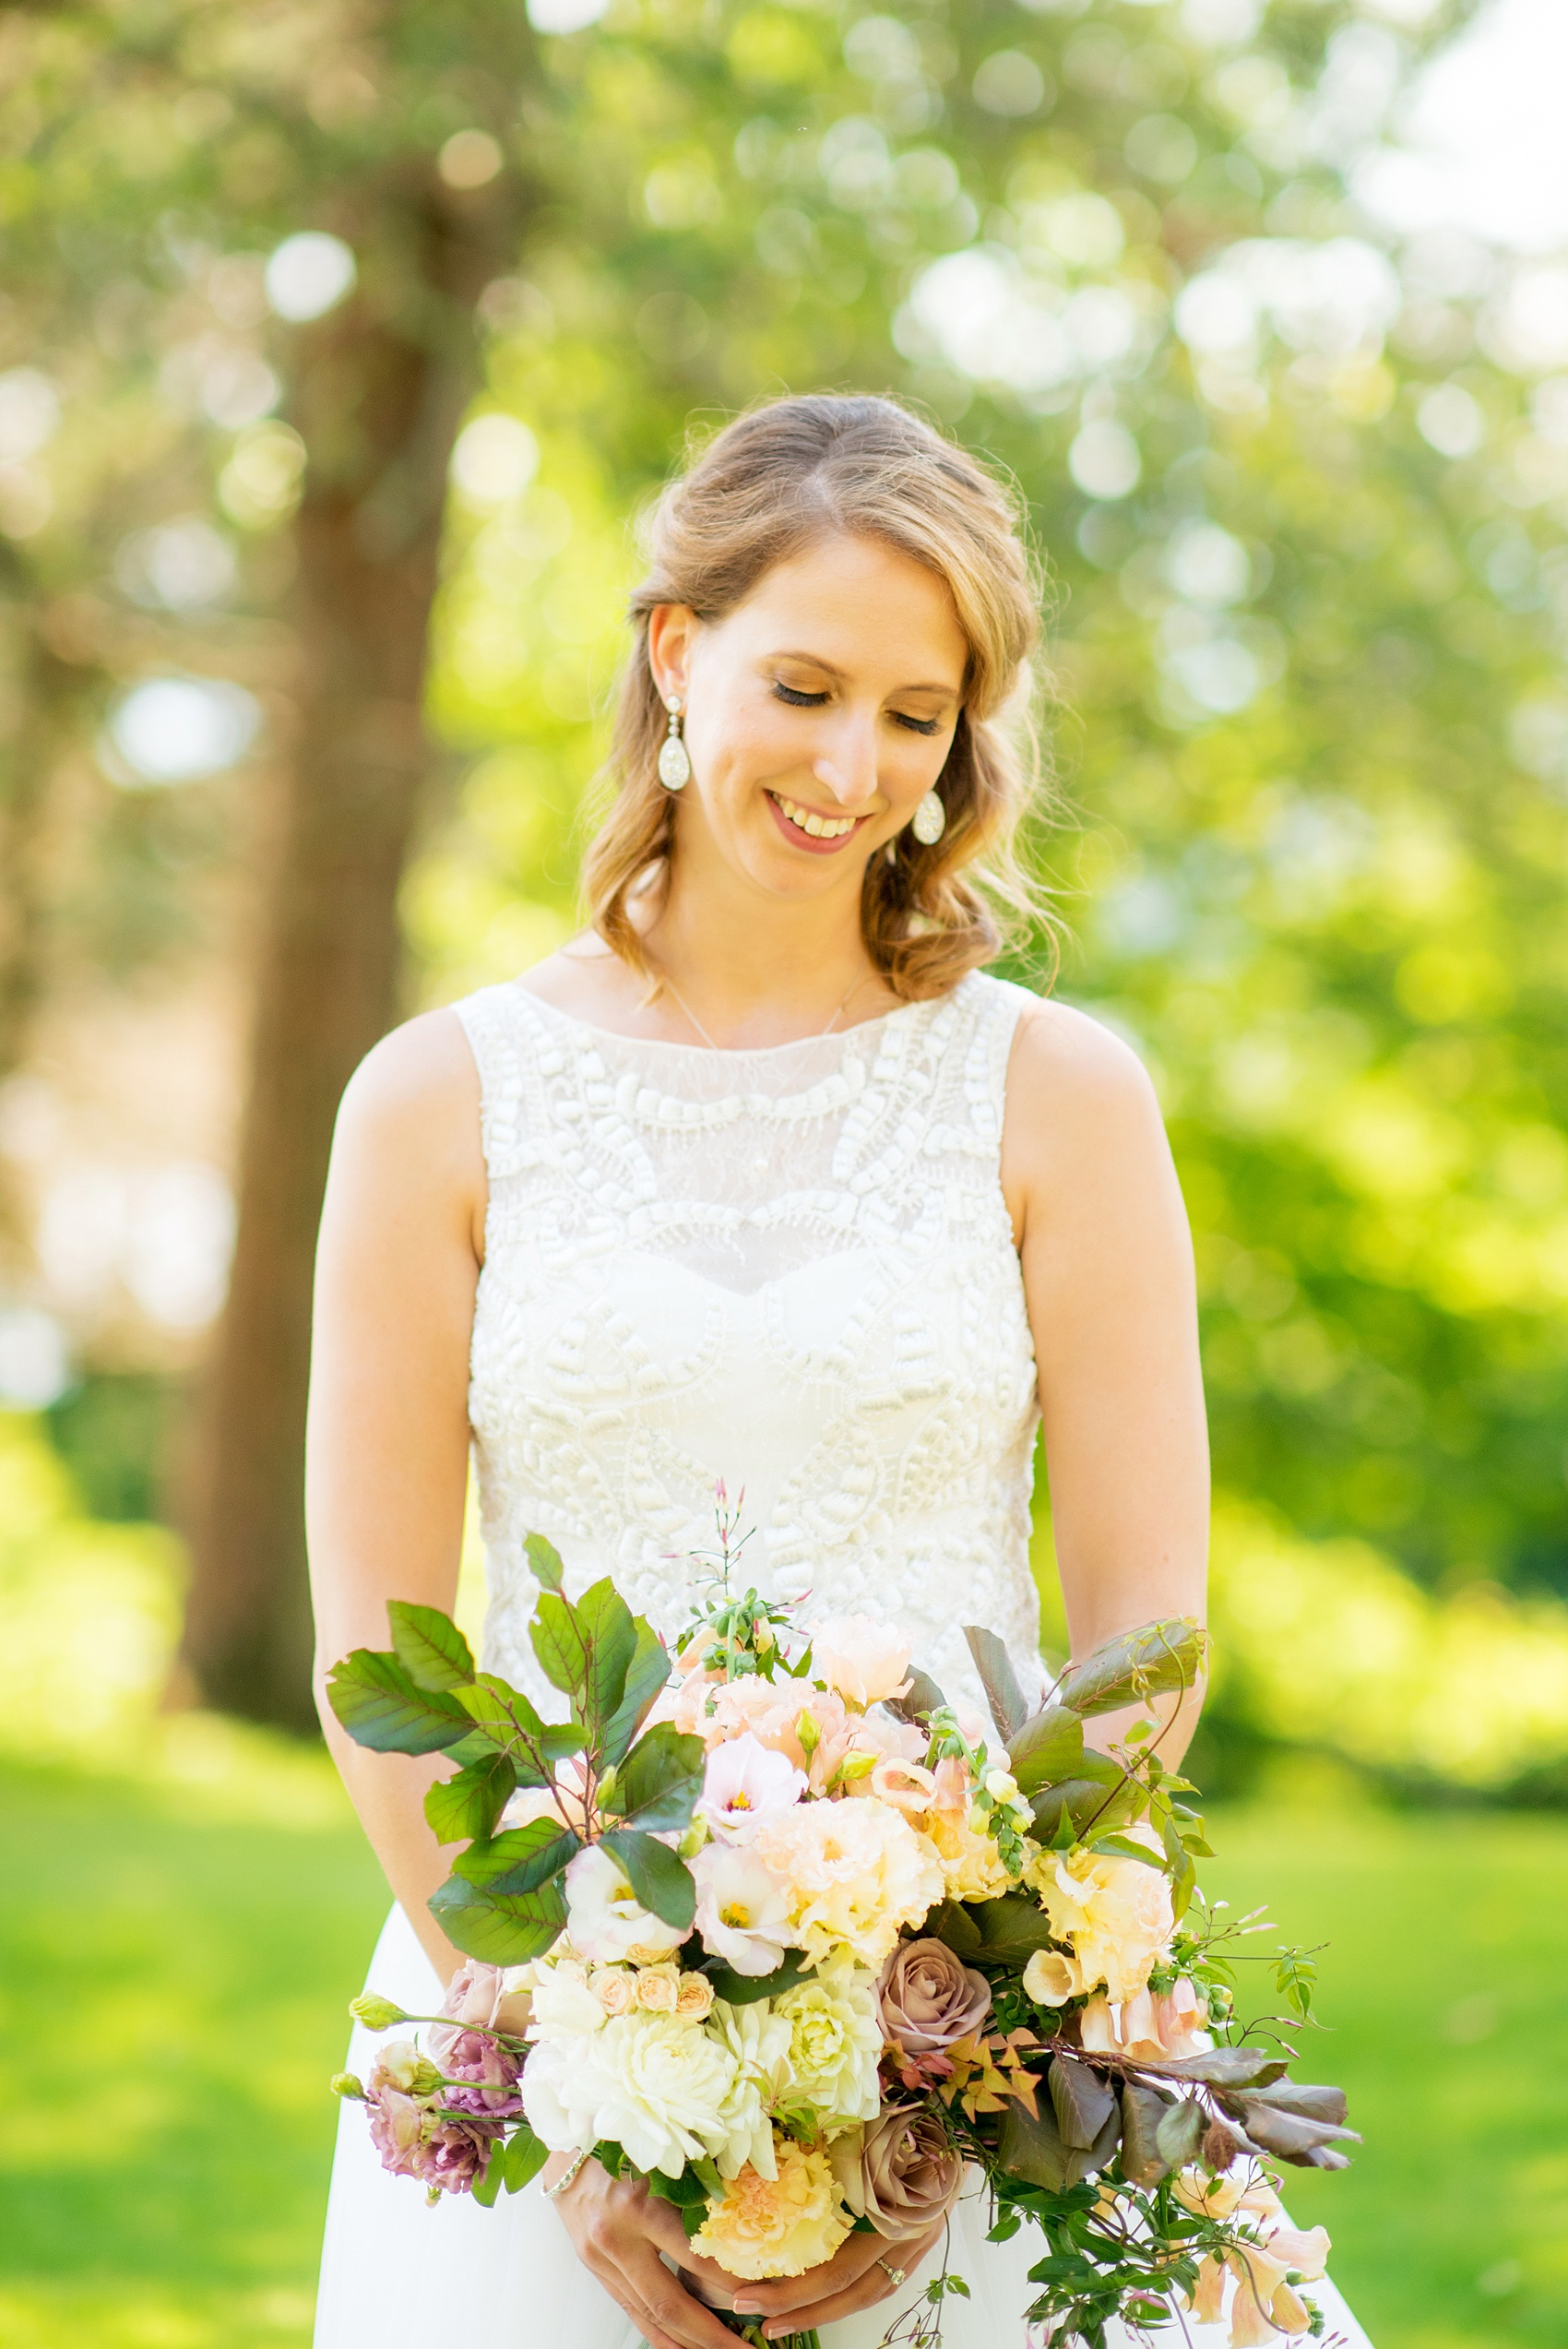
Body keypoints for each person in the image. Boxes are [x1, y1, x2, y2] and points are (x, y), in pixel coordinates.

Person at [308, 394, 1371, 2348]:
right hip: (542, 2003)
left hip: (988, 2049)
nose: (851, 765)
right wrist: (580, 2091)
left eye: (916, 712)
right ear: (673, 649)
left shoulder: (1055, 1094)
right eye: (802, 684)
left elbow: (1142, 1639)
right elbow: (378, 1662)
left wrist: (977, 2020)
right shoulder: (438, 1102)